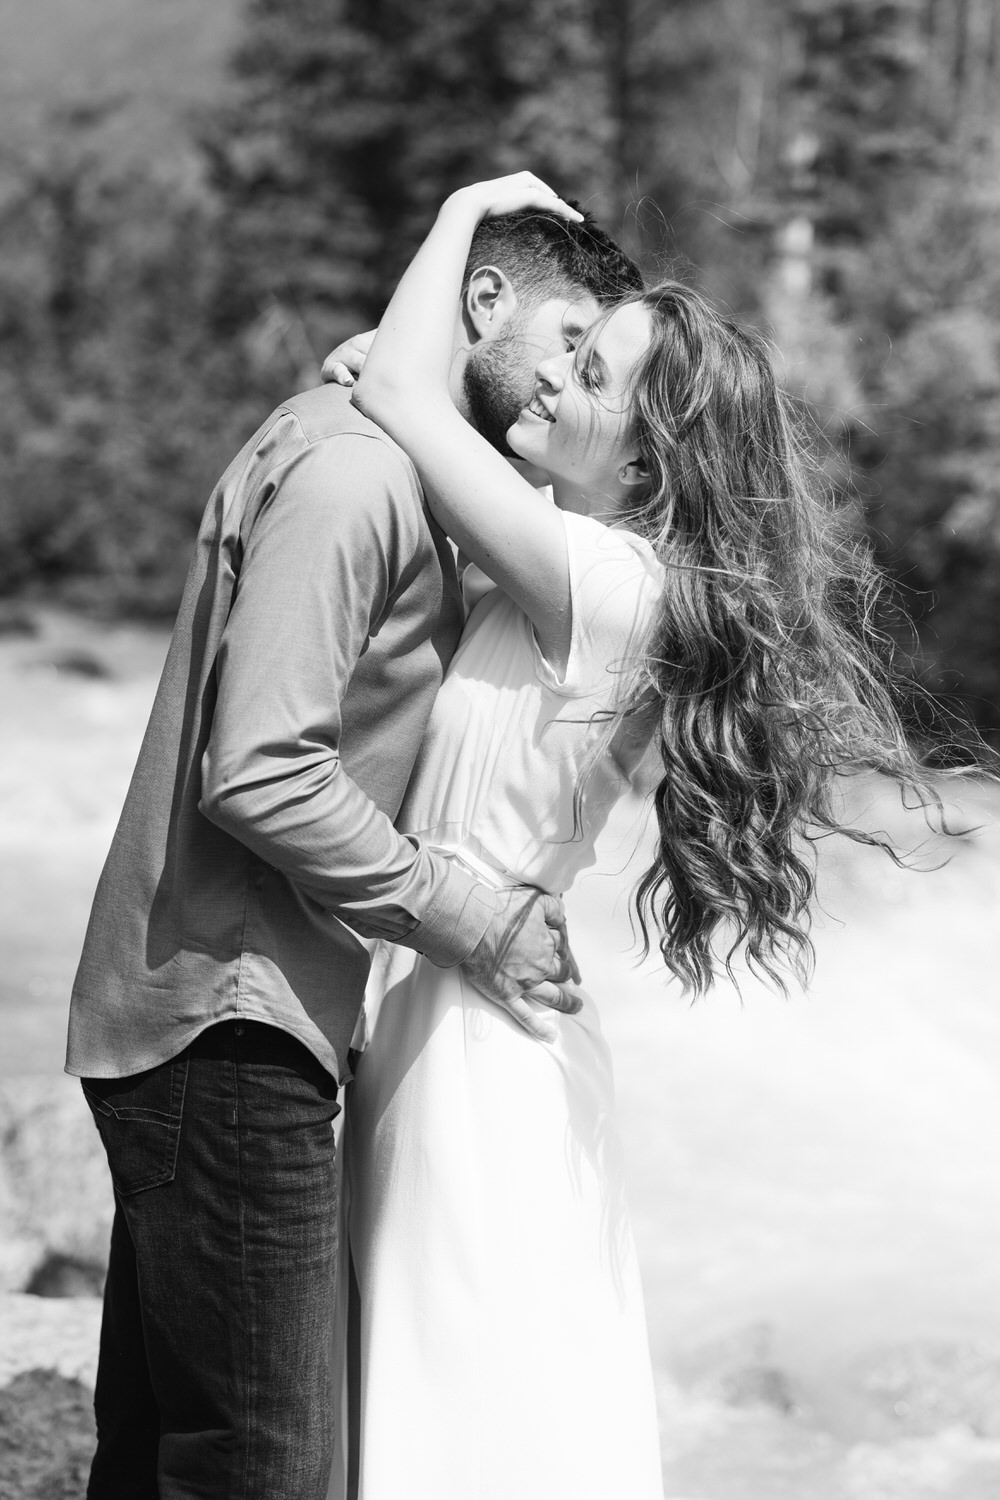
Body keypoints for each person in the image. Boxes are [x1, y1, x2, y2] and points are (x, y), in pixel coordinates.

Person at [322, 172, 952, 1500]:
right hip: (465, 1001)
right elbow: (399, 375)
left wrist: (471, 205)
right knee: (481, 1396)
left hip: (471, 1040)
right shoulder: (579, 553)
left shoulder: (605, 585)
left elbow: (392, 388)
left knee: (459, 1414)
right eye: (571, 354)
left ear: (656, 456)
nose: (551, 386)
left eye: (592, 377)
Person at [66, 189, 643, 1500]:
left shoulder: (420, 476)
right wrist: (469, 912)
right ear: (480, 302)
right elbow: (261, 774)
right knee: (264, 1469)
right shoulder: (358, 472)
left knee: (165, 1454)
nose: (565, 377)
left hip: (259, 1007)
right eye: (565, 337)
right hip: (228, 1016)